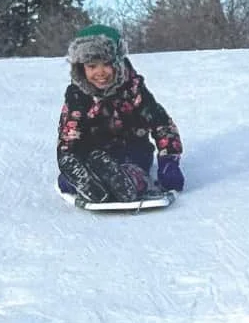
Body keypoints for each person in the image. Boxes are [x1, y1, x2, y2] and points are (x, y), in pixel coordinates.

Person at [56, 24, 185, 203]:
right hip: (92, 153)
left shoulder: (133, 90)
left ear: (118, 62)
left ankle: (126, 183)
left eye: (107, 64)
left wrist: (168, 162)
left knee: (134, 170)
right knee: (67, 180)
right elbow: (69, 131)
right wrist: (68, 157)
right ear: (81, 68)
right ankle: (87, 182)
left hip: (131, 150)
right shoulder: (78, 96)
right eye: (92, 66)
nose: (100, 72)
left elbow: (161, 124)